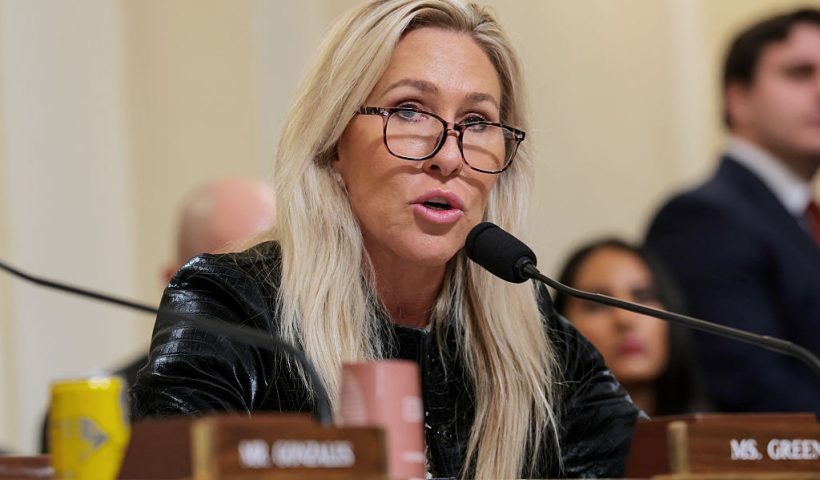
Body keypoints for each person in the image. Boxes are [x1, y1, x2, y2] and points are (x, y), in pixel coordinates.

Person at [131, 1, 642, 478]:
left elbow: (661, 461)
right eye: (409, 111)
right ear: (333, 144)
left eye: (477, 121)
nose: (449, 156)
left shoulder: (529, 332)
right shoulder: (232, 305)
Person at [645, 9, 820, 415]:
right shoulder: (702, 218)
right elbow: (750, 386)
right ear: (737, 99)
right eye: (799, 73)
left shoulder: (801, 217)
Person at [39, 177, 276, 453]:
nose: (257, 298)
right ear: (174, 283)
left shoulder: (313, 377)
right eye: (234, 282)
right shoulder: (93, 416)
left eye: (272, 274)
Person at [554, 238, 706, 417]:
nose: (625, 319)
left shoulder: (719, 437)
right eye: (597, 304)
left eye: (643, 296)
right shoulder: (533, 441)